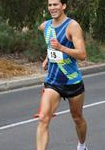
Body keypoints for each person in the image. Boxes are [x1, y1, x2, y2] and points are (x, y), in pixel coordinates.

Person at [36, 0, 88, 150]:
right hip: (53, 81)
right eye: (50, 5)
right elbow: (50, 46)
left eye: (56, 4)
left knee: (77, 118)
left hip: (72, 82)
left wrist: (61, 47)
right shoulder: (45, 26)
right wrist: (48, 58)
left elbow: (82, 54)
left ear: (64, 6)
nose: (52, 8)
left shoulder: (73, 26)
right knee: (43, 119)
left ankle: (82, 145)